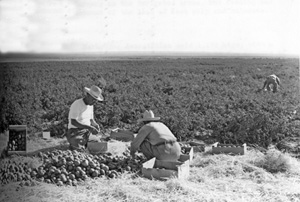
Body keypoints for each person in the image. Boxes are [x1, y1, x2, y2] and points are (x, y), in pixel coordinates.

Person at [66, 85, 104, 151]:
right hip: (75, 131)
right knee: (78, 147)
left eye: (96, 100)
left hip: (86, 132)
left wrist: (95, 125)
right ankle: (76, 144)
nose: (94, 102)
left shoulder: (91, 105)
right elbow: (73, 121)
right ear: (87, 95)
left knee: (98, 144)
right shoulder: (77, 104)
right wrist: (89, 127)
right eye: (93, 99)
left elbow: (91, 119)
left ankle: (84, 143)